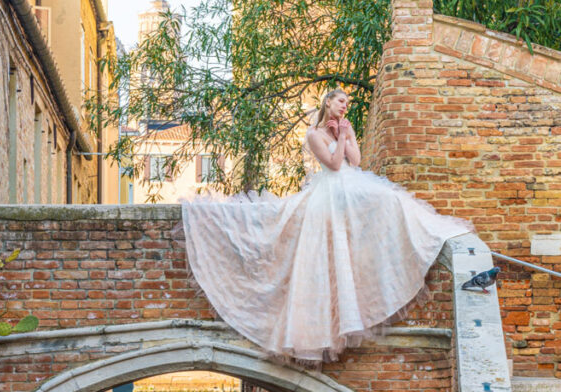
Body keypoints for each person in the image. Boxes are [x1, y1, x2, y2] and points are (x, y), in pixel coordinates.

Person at [181, 88, 471, 362]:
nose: (345, 106)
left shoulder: (346, 128)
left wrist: (347, 135)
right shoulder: (314, 134)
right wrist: (341, 138)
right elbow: (332, 164)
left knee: (390, 200)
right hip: (329, 190)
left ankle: (422, 236)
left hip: (351, 184)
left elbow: (355, 162)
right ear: (328, 103)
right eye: (341, 101)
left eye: (347, 103)